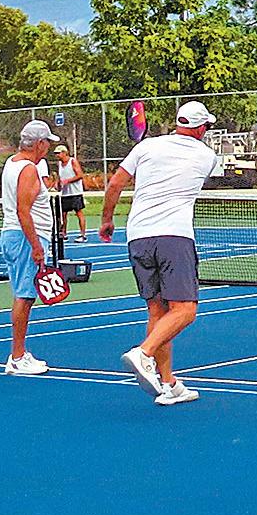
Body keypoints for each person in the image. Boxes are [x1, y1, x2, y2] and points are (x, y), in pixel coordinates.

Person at [99, 100, 220, 407]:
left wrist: (107, 220)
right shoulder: (207, 156)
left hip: (138, 237)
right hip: (173, 237)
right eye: (207, 126)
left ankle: (168, 385)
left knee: (158, 312)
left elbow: (115, 184)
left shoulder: (146, 147)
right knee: (185, 310)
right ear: (201, 128)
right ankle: (143, 353)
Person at [0, 119, 57, 375]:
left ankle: (19, 354)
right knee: (25, 295)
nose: (49, 148)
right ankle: (17, 356)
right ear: (39, 144)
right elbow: (23, 210)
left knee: (23, 294)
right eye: (47, 143)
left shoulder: (12, 163)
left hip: (15, 235)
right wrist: (36, 246)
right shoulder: (28, 169)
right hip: (25, 238)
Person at [53, 143, 88, 242]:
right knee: (63, 214)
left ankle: (83, 235)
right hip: (65, 193)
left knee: (79, 213)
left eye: (58, 153)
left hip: (75, 192)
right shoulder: (59, 164)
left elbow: (80, 175)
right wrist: (57, 183)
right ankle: (63, 234)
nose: (57, 155)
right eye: (56, 153)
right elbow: (60, 176)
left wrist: (67, 181)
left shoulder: (72, 161)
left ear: (64, 153)